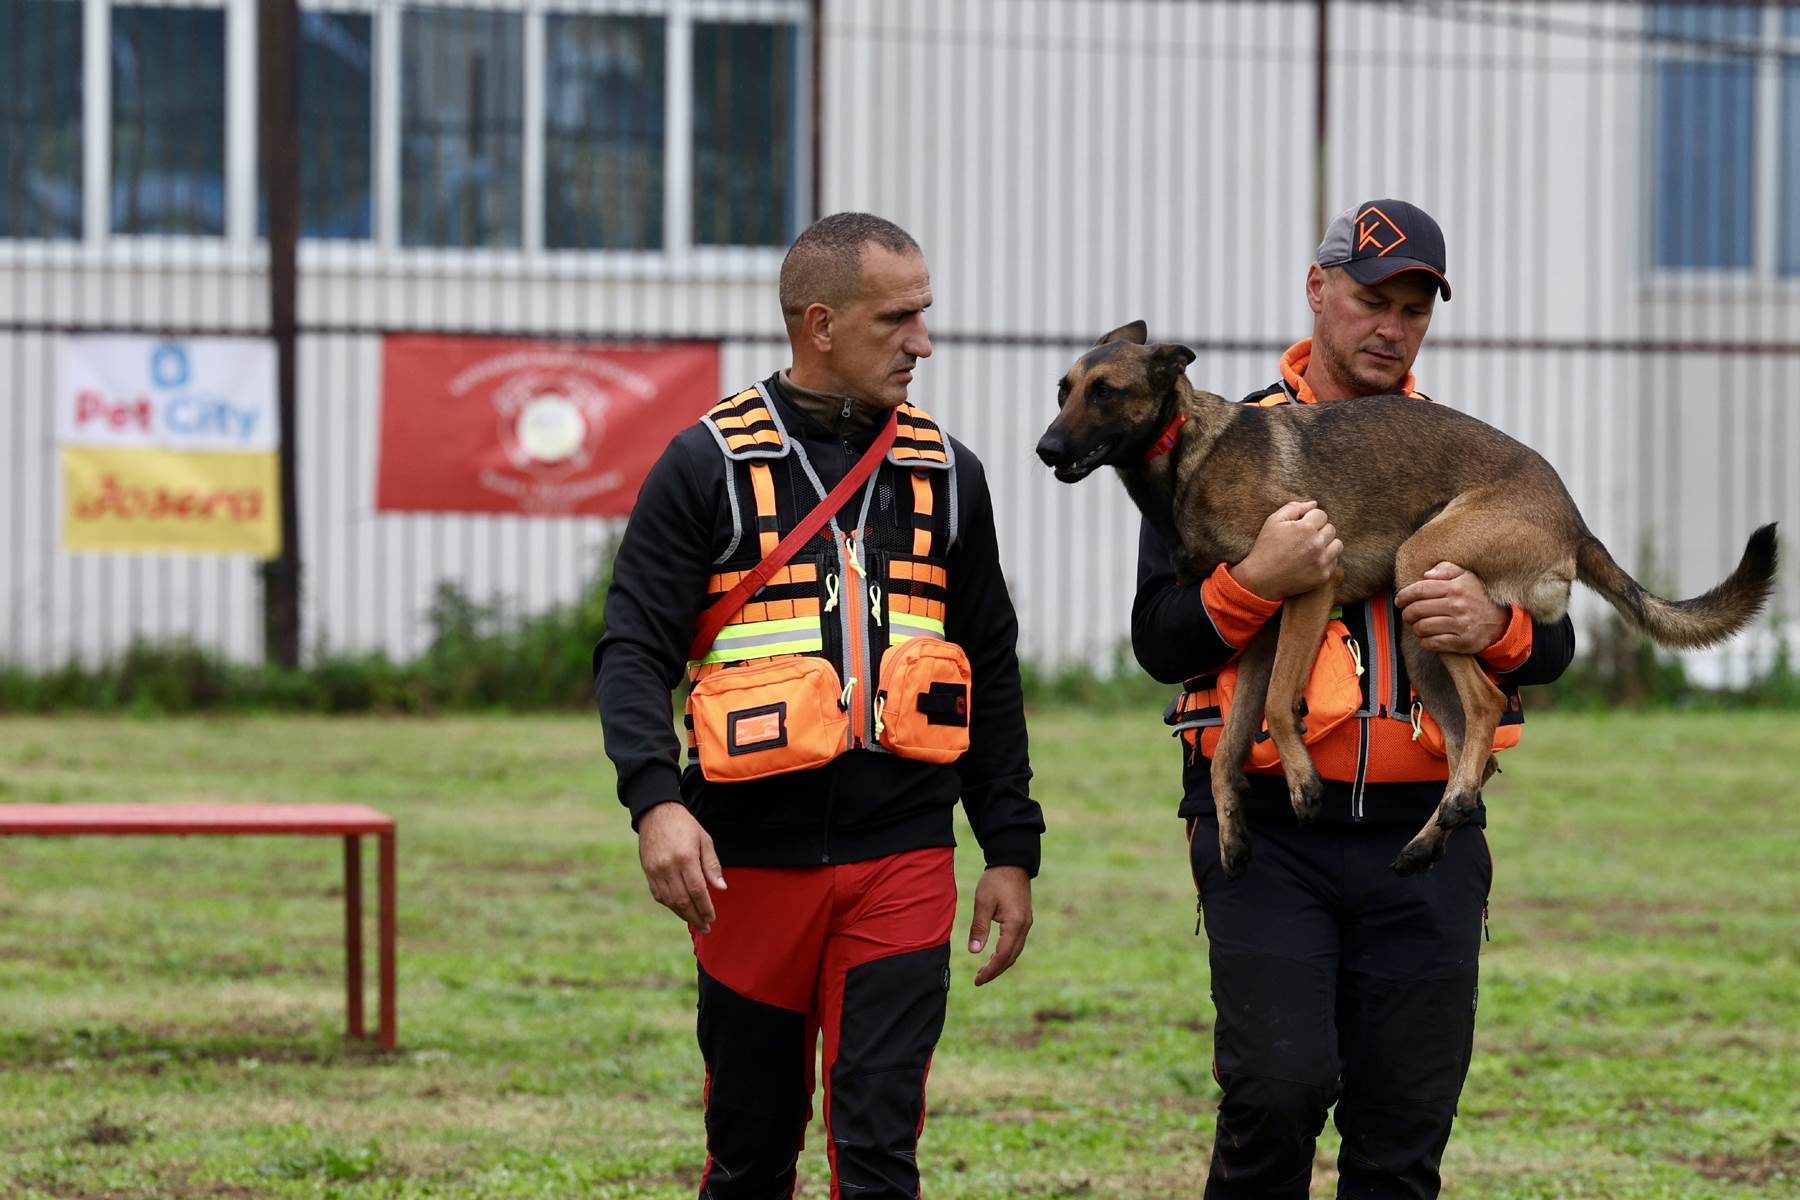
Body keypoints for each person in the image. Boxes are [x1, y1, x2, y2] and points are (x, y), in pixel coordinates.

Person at [594, 211, 1043, 1199]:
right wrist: (656, 803)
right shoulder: (705, 463)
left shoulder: (949, 475)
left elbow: (990, 671)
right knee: (751, 1154)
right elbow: (632, 651)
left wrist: (1010, 848)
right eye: (897, 320)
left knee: (879, 1151)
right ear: (821, 324)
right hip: (746, 865)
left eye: (925, 314)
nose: (923, 342)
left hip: (904, 858)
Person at [1133, 199, 1575, 1198]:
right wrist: (1257, 579)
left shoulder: (1456, 451)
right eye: (1373, 301)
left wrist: (1493, 626)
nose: (1392, 328)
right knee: (1274, 1098)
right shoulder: (1217, 442)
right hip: (1271, 836)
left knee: (1402, 1135)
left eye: (1414, 311)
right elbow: (1158, 637)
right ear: (1317, 290)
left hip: (1424, 837)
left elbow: (1554, 644)